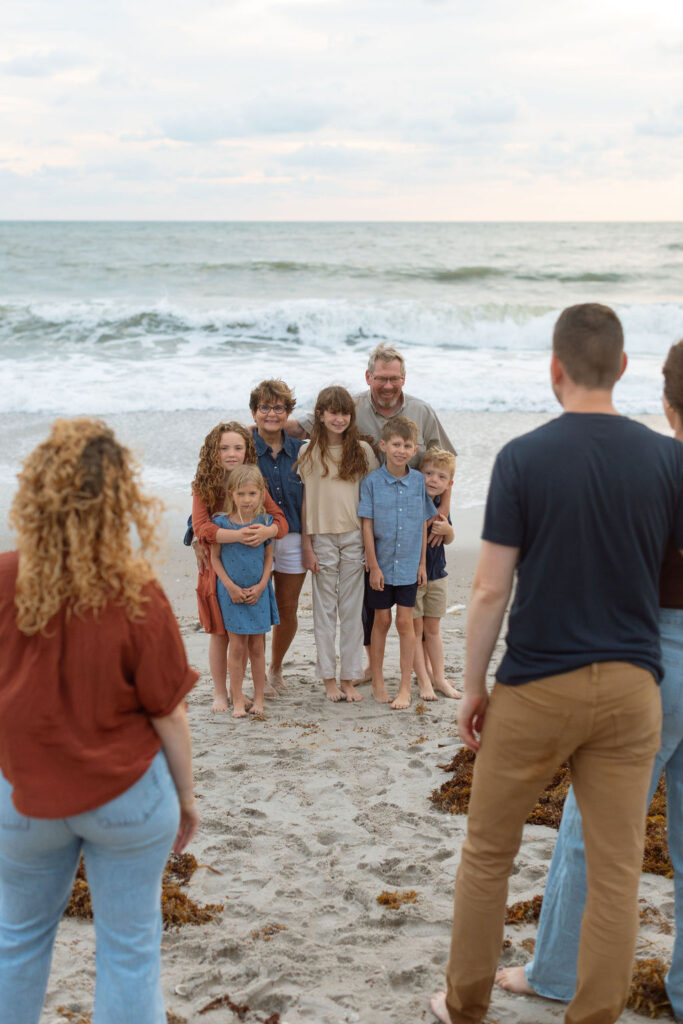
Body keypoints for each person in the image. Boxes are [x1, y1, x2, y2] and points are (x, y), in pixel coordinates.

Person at [429, 304, 683, 1024]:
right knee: (615, 871)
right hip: (635, 685)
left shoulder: (522, 457)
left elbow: (487, 588)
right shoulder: (665, 460)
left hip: (537, 683)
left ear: (553, 368)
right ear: (625, 369)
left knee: (486, 855)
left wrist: (472, 685)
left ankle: (464, 1004)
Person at [0, 418, 199, 1024]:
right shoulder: (135, 589)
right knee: (130, 952)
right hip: (128, 796)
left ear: (37, 494)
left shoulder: (5, 577)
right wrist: (187, 799)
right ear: (120, 499)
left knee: (17, 942)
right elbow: (169, 711)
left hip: (25, 793)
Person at [191, 421, 287, 712]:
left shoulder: (253, 484)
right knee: (221, 632)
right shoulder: (203, 485)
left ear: (248, 451)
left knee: (245, 635)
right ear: (213, 451)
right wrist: (238, 536)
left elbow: (280, 521)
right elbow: (202, 527)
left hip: (250, 567)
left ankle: (243, 692)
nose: (231, 453)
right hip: (216, 565)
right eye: (224, 448)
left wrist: (267, 532)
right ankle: (221, 693)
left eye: (238, 447)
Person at [297, 386, 379, 703]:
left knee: (351, 612)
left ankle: (349, 679)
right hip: (321, 537)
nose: (339, 418)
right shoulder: (307, 452)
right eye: (332, 412)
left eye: (344, 412)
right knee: (324, 612)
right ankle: (328, 679)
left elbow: (370, 501)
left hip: (354, 536)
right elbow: (304, 501)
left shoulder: (362, 451)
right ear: (320, 414)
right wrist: (306, 545)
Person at [358, 417, 436, 710]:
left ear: (414, 449)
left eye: (407, 446)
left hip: (408, 566)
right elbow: (367, 525)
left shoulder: (418, 481)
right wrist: (373, 566)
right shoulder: (372, 483)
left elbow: (423, 525)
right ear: (383, 446)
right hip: (381, 566)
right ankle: (377, 681)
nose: (401, 450)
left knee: (406, 623)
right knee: (381, 620)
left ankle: (405, 686)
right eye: (396, 444)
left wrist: (422, 565)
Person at [249, 379, 307, 693]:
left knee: (287, 608)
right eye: (265, 407)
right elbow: (212, 488)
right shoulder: (243, 449)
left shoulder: (302, 450)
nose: (272, 413)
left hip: (294, 536)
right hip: (255, 537)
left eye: (279, 407)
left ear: (288, 413)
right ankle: (256, 671)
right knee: (256, 604)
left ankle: (275, 667)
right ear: (254, 412)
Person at [211, 465, 279, 719]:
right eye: (241, 494)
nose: (247, 499)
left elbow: (269, 557)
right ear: (231, 494)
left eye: (252, 494)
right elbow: (215, 559)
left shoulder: (265, 523)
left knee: (258, 647)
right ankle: (237, 699)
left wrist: (262, 586)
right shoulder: (221, 523)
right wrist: (229, 586)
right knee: (237, 647)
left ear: (261, 494)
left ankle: (259, 698)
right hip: (231, 594)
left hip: (259, 592)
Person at [413, 448, 461, 701]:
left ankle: (439, 677)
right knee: (415, 629)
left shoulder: (441, 505)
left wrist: (448, 530)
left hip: (437, 574)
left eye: (441, 477)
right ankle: (424, 679)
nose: (433, 480)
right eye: (428, 473)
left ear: (448, 484)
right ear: (418, 473)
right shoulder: (412, 499)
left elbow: (449, 540)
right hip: (413, 576)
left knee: (433, 629)